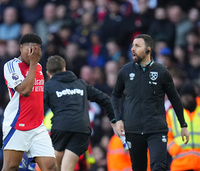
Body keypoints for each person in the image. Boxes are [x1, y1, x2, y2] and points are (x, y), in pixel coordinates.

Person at [112, 34, 190, 171]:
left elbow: (175, 98)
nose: (132, 49)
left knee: (158, 167)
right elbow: (115, 95)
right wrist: (117, 119)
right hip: (133, 130)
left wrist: (183, 124)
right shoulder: (125, 71)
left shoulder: (161, 71)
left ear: (148, 50)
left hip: (156, 129)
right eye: (132, 46)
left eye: (137, 46)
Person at [44, 55, 116, 171]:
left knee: (52, 167)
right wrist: (113, 120)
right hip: (82, 130)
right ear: (64, 69)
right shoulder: (81, 84)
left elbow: (34, 107)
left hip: (61, 129)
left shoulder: (48, 87)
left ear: (48, 73)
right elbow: (106, 99)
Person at [2, 33, 57, 171]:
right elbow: (25, 91)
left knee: (51, 167)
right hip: (17, 124)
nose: (34, 54)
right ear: (21, 48)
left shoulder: (38, 67)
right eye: (30, 50)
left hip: (37, 126)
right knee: (11, 167)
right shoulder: (11, 66)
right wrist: (33, 63)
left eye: (37, 50)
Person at [167, 83, 200, 171]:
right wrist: (173, 148)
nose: (185, 99)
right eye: (183, 96)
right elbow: (165, 135)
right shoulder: (172, 114)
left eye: (188, 96)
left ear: (194, 97)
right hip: (180, 163)